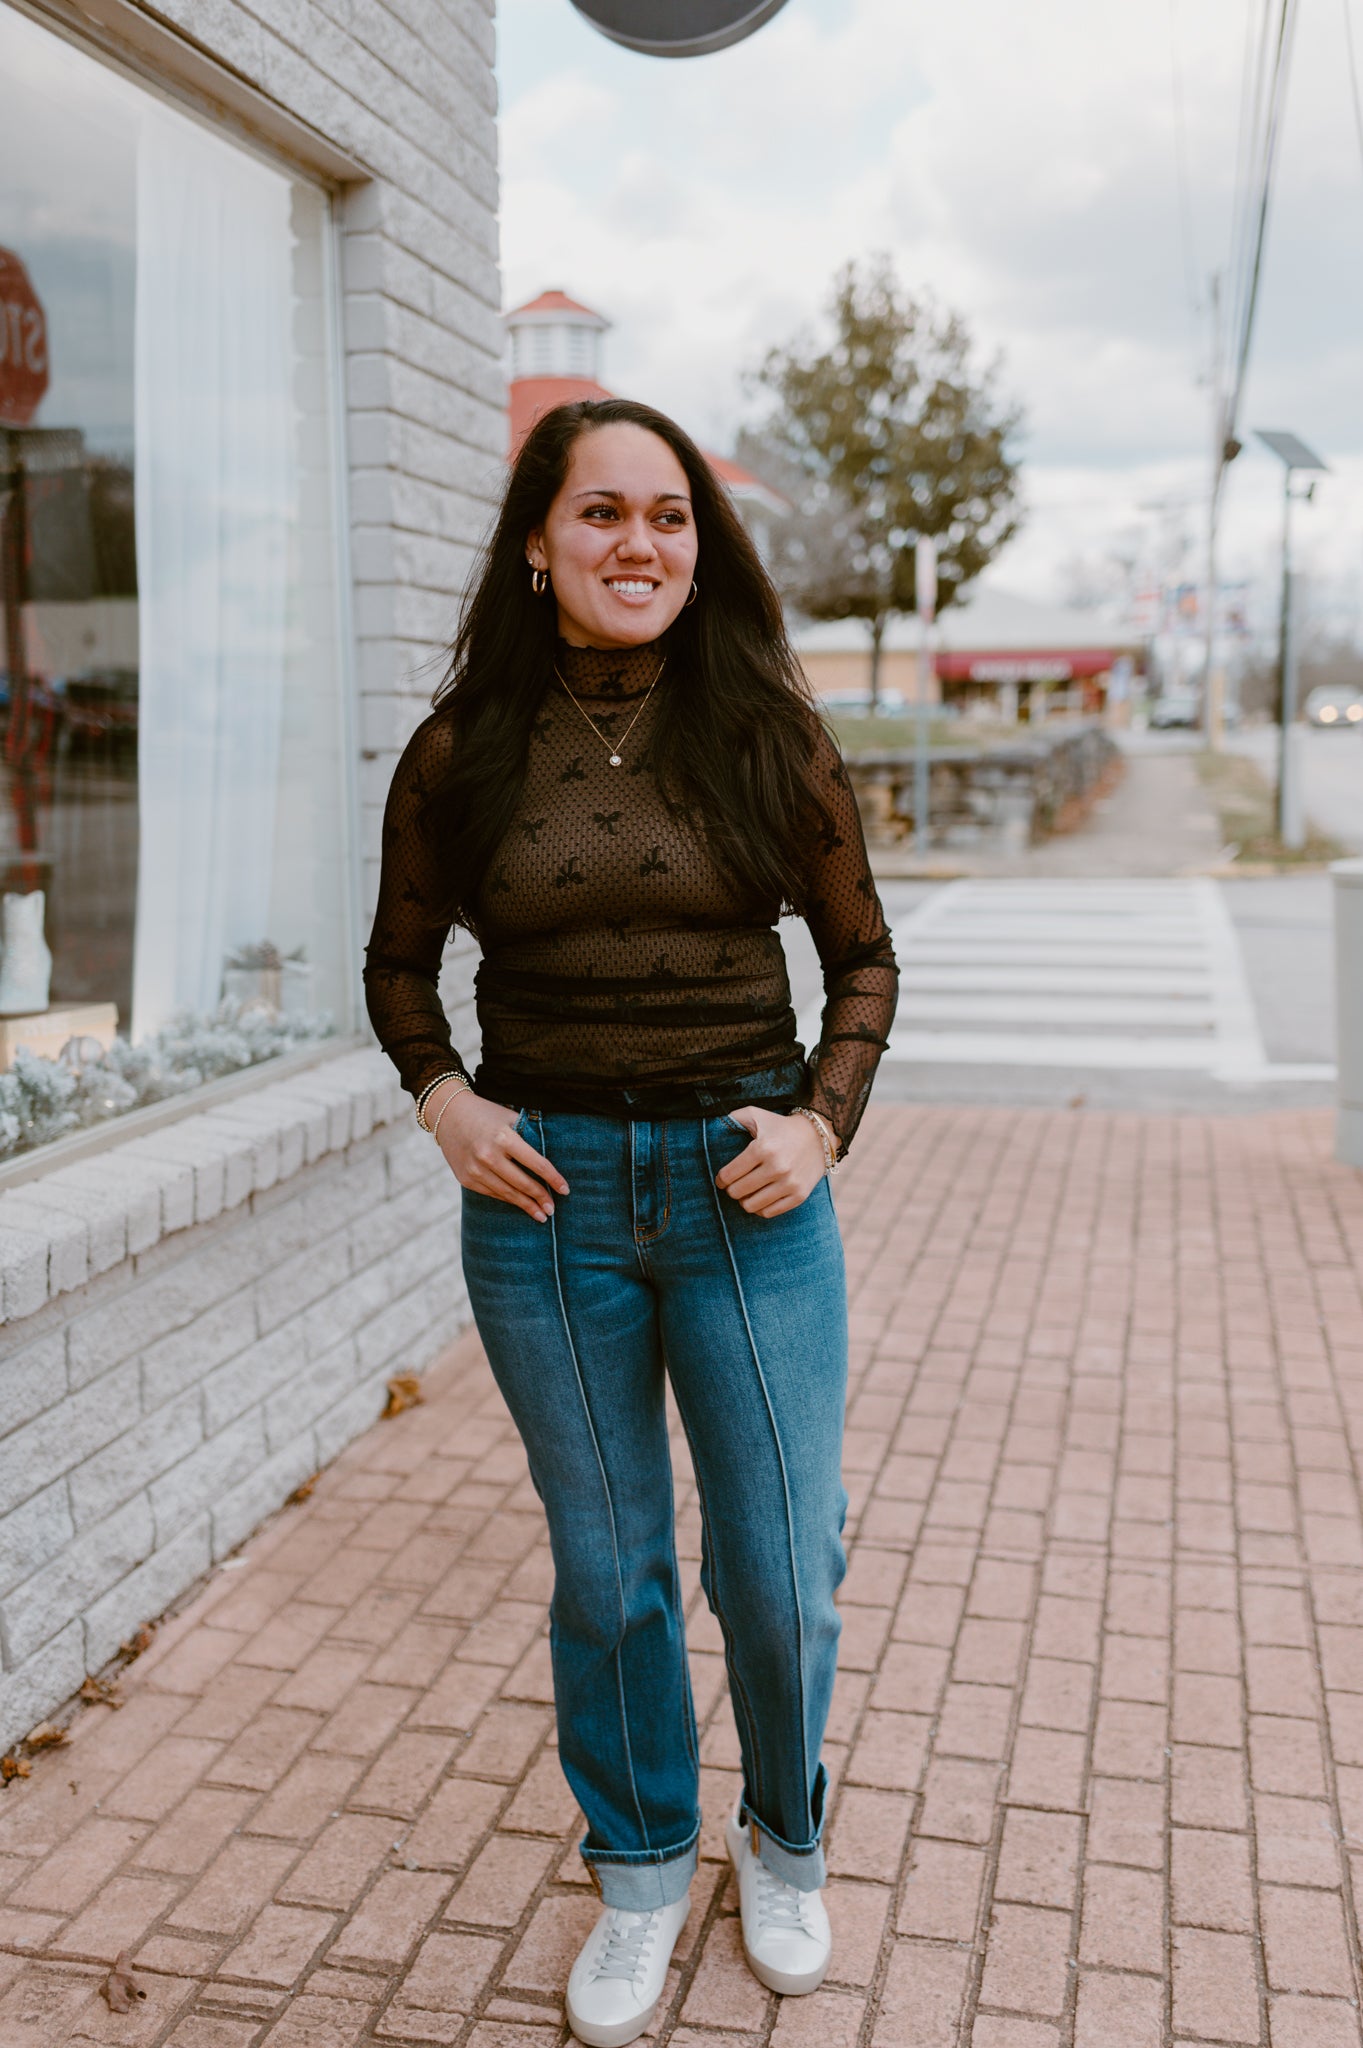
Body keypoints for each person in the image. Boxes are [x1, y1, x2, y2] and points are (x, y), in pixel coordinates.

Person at [364, 396, 898, 2048]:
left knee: (781, 1567)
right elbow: (397, 967)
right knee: (610, 1570)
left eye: (667, 517)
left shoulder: (768, 733)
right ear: (538, 542)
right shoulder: (462, 750)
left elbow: (863, 962)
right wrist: (447, 1101)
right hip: (548, 1204)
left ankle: (784, 1839)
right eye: (602, 515)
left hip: (746, 1195)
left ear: (699, 544)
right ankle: (644, 1864)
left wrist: (819, 1128)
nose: (638, 546)